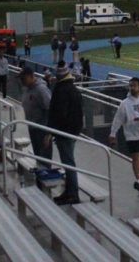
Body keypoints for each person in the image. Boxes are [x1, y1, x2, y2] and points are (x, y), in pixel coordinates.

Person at [47, 62, 83, 204]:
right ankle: (69, 192)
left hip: (65, 132)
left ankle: (73, 194)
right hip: (73, 130)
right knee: (68, 161)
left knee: (68, 163)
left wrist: (52, 131)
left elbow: (59, 114)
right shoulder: (73, 89)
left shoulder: (61, 90)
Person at [19, 68, 52, 171]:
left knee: (44, 159)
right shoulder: (27, 88)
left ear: (31, 76)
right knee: (38, 157)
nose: (22, 81)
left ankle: (45, 180)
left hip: (41, 130)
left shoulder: (41, 89)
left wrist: (48, 133)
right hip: (33, 127)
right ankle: (40, 181)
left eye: (24, 78)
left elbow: (50, 109)